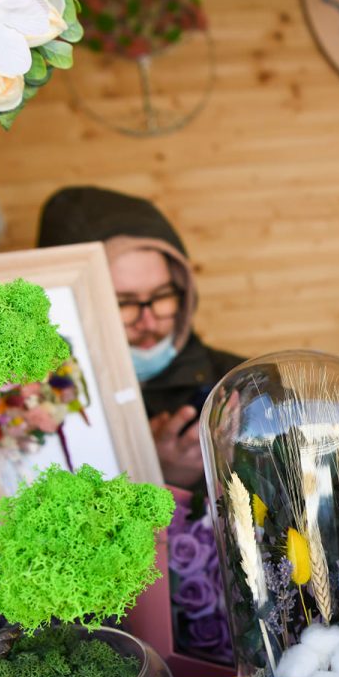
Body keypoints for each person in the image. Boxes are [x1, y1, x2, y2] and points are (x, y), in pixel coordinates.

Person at [37, 187, 242, 487]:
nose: (148, 320)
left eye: (162, 296)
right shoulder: (34, 408)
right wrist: (150, 473)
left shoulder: (238, 381)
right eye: (124, 303)